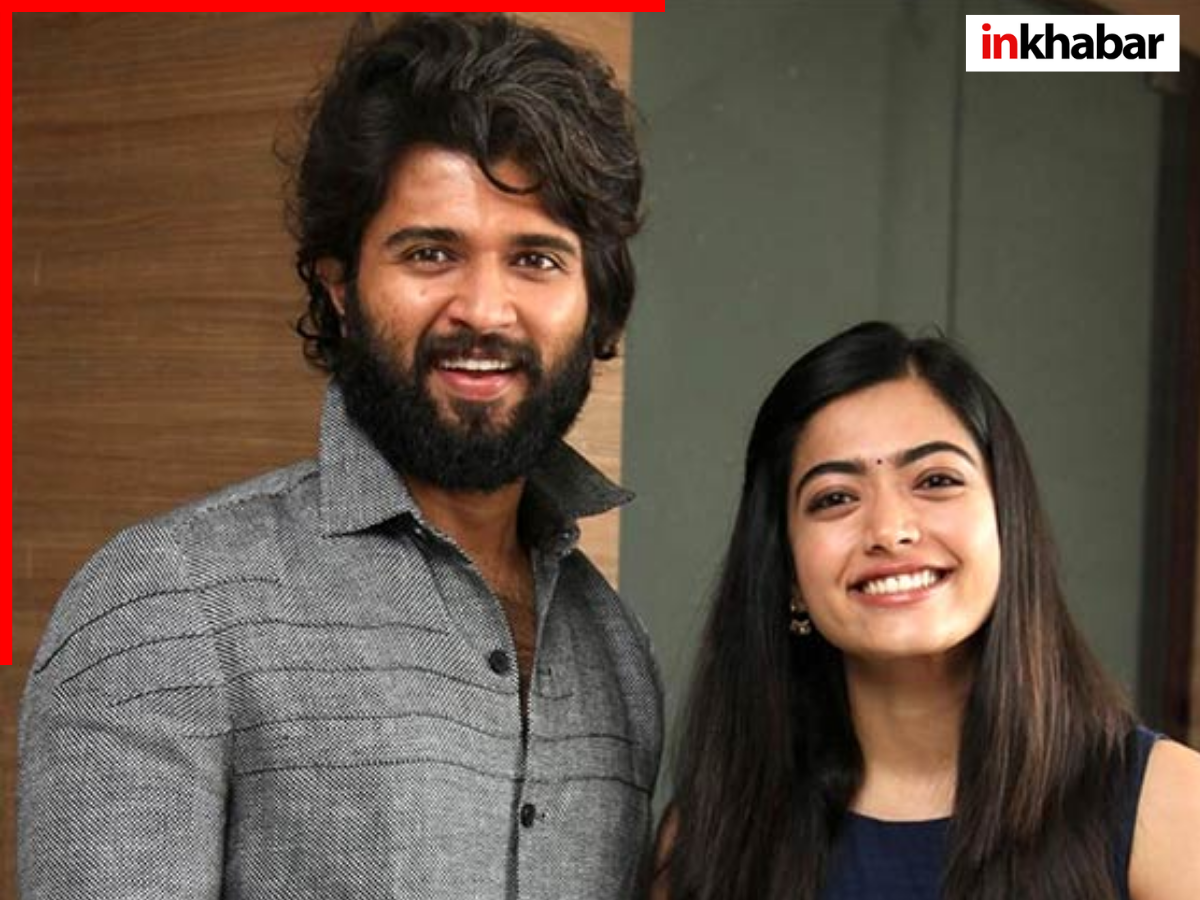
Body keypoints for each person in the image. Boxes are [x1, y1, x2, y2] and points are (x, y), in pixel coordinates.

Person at [19, 13, 662, 900]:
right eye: (430, 252)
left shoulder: (616, 651)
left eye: (536, 259)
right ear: (341, 290)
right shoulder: (168, 605)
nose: (484, 309)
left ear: (597, 305)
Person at [652, 321, 1200, 900]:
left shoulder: (1168, 807)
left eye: (936, 480)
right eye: (835, 497)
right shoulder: (711, 840)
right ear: (788, 571)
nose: (890, 530)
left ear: (1007, 522)